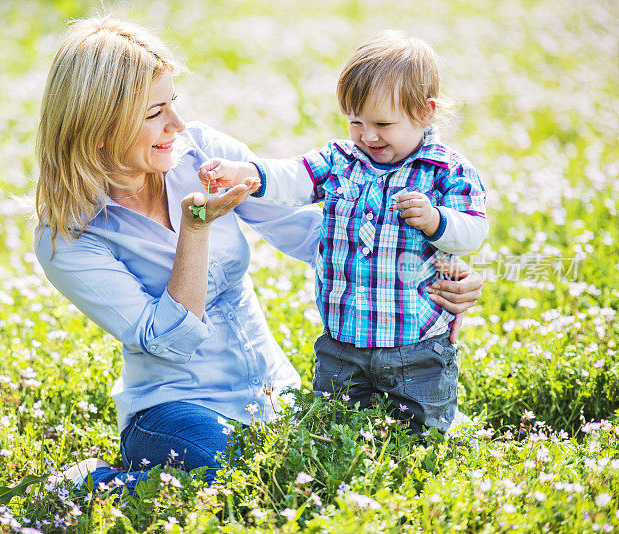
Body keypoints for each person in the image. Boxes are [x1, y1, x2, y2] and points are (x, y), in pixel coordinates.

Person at [33, 18, 485, 491]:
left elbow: (317, 235)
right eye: (154, 113)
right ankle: (86, 484)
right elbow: (169, 341)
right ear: (101, 129)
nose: (178, 124)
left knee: (307, 470)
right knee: (227, 475)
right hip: (176, 403)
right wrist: (196, 229)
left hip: (270, 392)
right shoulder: (68, 235)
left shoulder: (201, 153)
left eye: (174, 103)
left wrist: (433, 266)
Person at [198, 30, 488, 434]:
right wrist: (251, 174)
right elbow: (295, 176)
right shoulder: (341, 160)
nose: (368, 136)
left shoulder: (447, 171)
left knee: (423, 431)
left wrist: (436, 220)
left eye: (383, 124)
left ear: (425, 112)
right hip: (343, 342)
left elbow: (472, 231)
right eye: (356, 122)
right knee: (335, 429)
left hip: (417, 345)